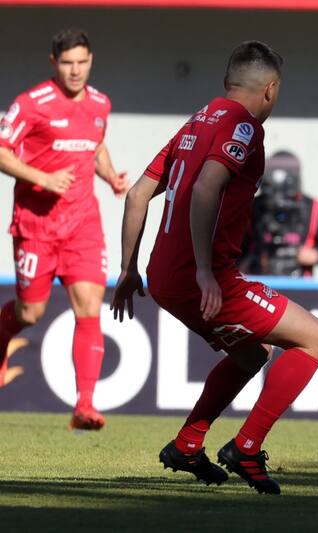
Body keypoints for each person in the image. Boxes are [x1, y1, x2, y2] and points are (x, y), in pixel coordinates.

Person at [111, 41, 318, 495]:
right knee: (314, 338)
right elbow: (209, 186)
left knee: (252, 353)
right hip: (202, 275)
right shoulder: (244, 126)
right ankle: (246, 448)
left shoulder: (197, 121)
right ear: (270, 91)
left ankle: (188, 444)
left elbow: (136, 195)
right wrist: (207, 271)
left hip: (162, 274)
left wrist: (128, 270)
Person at [0, 28, 129, 430]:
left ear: (91, 61)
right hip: (36, 226)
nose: (76, 71)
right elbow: (2, 151)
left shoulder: (99, 103)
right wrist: (42, 176)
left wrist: (109, 176)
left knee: (89, 308)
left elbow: (95, 145)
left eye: (82, 62)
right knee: (30, 313)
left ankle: (85, 405)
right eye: (68, 63)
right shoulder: (30, 104)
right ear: (54, 63)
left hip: (82, 225)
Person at [239, 150, 318, 277]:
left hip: (299, 282)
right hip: (259, 280)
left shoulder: (313, 207)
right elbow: (234, 247)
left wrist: (315, 255)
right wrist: (249, 262)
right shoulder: (254, 206)